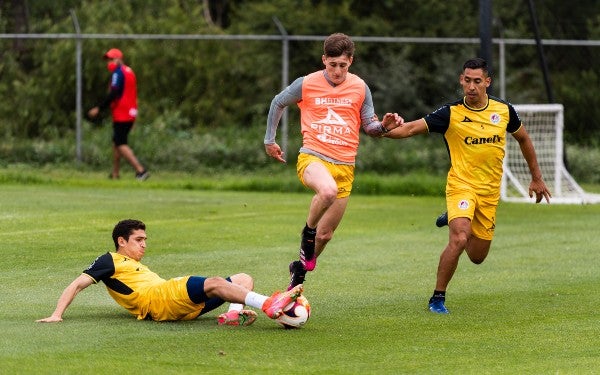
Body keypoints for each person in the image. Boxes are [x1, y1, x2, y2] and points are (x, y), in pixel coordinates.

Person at [384, 57, 551, 314]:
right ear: (461, 80)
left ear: (487, 82)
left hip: (489, 192)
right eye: (467, 81)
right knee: (460, 238)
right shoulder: (450, 114)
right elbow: (409, 129)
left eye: (477, 81)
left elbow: (524, 139)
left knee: (477, 257)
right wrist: (382, 129)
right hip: (461, 185)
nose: (471, 87)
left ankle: (454, 214)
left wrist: (537, 177)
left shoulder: (504, 111)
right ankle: (437, 298)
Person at [264, 33, 401, 290]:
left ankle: (296, 277)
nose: (337, 71)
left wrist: (383, 126)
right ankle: (308, 231)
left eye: (343, 65)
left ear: (351, 61)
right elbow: (278, 102)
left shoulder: (360, 87)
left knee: (326, 235)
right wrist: (269, 140)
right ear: (324, 59)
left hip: (345, 166)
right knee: (327, 192)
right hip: (313, 156)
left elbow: (369, 126)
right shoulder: (307, 83)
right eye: (332, 64)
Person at [36, 219, 303, 326]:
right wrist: (56, 314)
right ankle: (268, 304)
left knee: (243, 278)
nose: (144, 244)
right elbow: (77, 284)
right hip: (158, 300)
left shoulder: (136, 265)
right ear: (121, 241)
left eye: (145, 239)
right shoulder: (110, 260)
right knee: (213, 283)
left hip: (174, 304)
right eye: (138, 240)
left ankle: (233, 315)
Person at [87, 48, 149, 181]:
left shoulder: (118, 73)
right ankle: (115, 174)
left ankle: (140, 170)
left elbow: (114, 93)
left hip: (122, 112)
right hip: (129, 111)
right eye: (108, 60)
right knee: (116, 143)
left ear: (119, 59)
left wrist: (99, 108)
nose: (109, 62)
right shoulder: (128, 71)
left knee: (120, 143)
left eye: (112, 59)